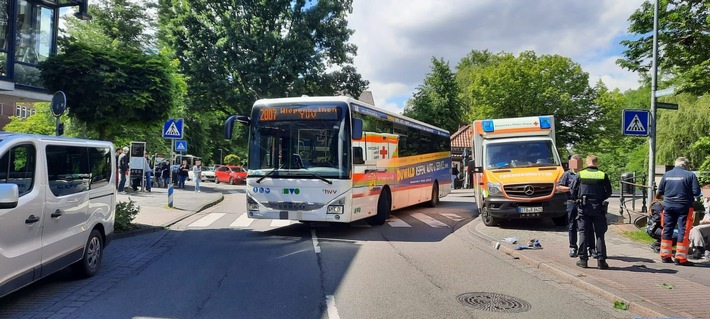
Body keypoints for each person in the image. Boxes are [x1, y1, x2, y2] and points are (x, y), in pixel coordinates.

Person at [656, 157, 702, 266]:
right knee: (683, 230)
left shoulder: (666, 175)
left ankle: (665, 256)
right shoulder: (690, 175)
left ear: (675, 164)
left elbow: (660, 192)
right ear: (686, 165)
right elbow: (696, 192)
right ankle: (680, 258)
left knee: (667, 229)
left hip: (668, 206)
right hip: (684, 207)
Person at [571, 155, 612, 269]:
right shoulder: (603, 175)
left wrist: (577, 199)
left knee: (583, 233)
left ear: (587, 162)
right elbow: (608, 192)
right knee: (600, 235)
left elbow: (573, 190)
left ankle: (583, 260)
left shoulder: (580, 174)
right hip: (599, 208)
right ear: (597, 163)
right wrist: (599, 199)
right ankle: (601, 261)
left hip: (584, 208)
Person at [557, 154, 585, 257]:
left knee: (585, 226)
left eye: (578, 162)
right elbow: (558, 187)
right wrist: (570, 188)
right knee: (572, 225)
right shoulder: (567, 174)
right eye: (573, 162)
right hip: (572, 202)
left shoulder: (584, 174)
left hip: (583, 202)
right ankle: (573, 247)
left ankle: (587, 248)